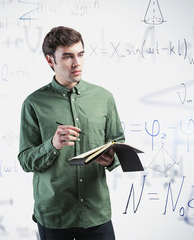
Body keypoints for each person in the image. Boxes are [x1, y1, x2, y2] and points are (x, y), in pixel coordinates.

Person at [18, 26, 125, 240]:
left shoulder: (104, 97)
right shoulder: (34, 103)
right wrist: (53, 145)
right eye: (67, 57)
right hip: (54, 215)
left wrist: (111, 158)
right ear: (50, 61)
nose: (77, 63)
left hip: (96, 213)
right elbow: (25, 161)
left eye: (81, 54)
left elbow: (118, 142)